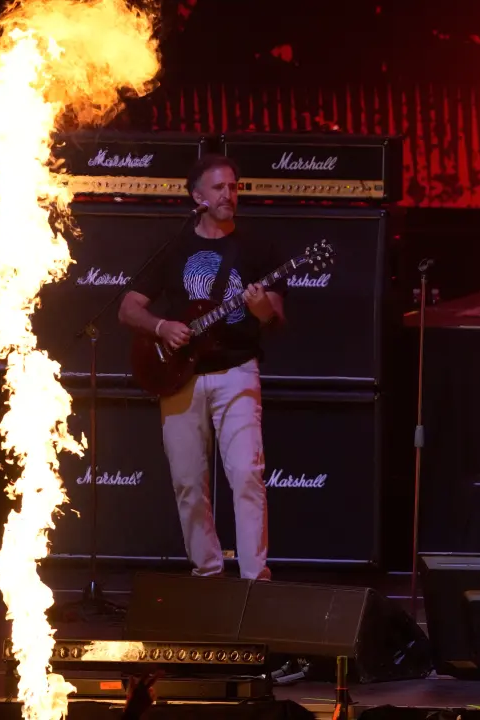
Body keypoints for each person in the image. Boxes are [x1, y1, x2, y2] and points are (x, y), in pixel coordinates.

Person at [119, 154, 287, 581]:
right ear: (197, 196)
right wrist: (162, 327)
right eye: (219, 188)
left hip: (237, 371)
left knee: (248, 474)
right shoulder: (174, 248)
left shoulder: (259, 248)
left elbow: (276, 318)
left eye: (233, 187)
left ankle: (254, 577)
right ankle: (208, 574)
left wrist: (260, 306)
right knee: (188, 483)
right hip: (180, 376)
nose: (229, 194)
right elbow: (128, 308)